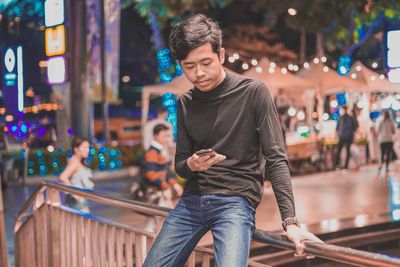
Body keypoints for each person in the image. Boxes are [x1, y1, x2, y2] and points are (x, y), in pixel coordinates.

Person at [143, 14, 321, 267]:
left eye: (206, 62)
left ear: (222, 55)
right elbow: (180, 163)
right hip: (192, 200)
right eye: (189, 66)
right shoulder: (185, 104)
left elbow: (277, 159)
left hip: (235, 203)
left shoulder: (254, 93)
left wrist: (290, 222)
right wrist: (192, 165)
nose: (199, 73)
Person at [143, 124, 183, 204]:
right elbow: (150, 174)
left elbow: (165, 172)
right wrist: (165, 187)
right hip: (156, 192)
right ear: (156, 136)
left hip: (161, 190)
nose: (166, 139)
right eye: (164, 136)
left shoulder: (160, 150)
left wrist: (174, 183)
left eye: (167, 136)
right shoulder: (152, 152)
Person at [59, 138, 94, 212]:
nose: (87, 150)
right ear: (76, 149)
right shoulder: (74, 161)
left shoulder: (77, 161)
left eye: (88, 147)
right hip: (77, 202)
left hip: (79, 200)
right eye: (84, 147)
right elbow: (63, 177)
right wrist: (75, 195)